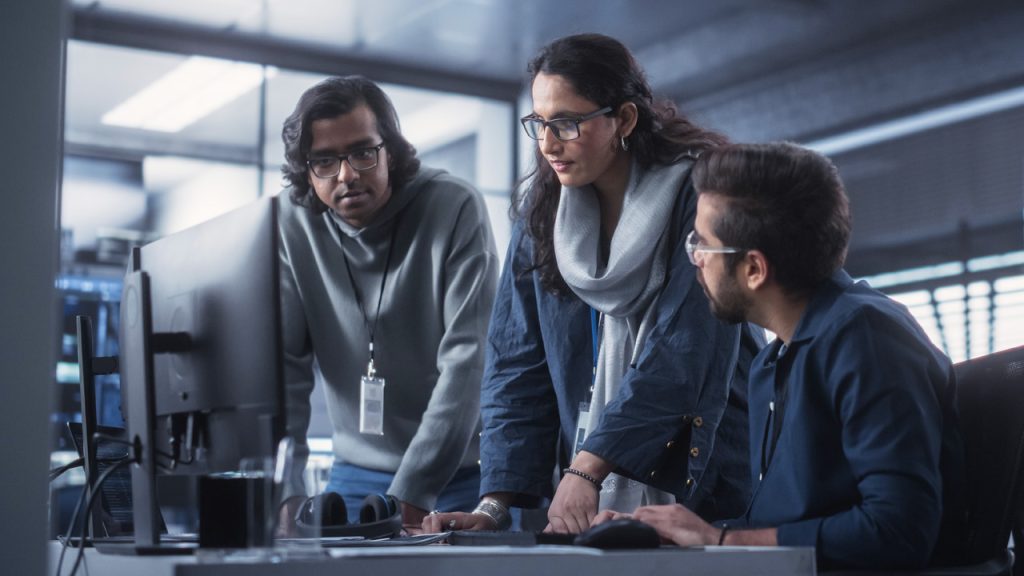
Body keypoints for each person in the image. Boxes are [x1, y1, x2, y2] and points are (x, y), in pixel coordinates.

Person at [424, 33, 762, 535]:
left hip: (705, 474)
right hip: (590, 484)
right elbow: (517, 364)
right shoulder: (542, 215)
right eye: (538, 123)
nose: (547, 143)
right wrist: (493, 506)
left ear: (623, 119)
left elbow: (681, 351)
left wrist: (590, 465)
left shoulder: (701, 201)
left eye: (566, 123)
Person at [595, 142, 967, 570]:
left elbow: (898, 531)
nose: (694, 259)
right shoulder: (772, 363)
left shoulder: (867, 338)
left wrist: (718, 540)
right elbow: (773, 527)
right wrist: (672, 535)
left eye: (703, 244)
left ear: (754, 269)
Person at [276, 76, 499, 530]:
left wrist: (414, 491)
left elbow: (467, 362)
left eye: (362, 152)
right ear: (306, 169)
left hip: (460, 473)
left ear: (391, 152)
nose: (346, 175)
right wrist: (286, 493)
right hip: (355, 473)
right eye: (324, 161)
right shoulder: (291, 223)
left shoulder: (454, 206)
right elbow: (284, 374)